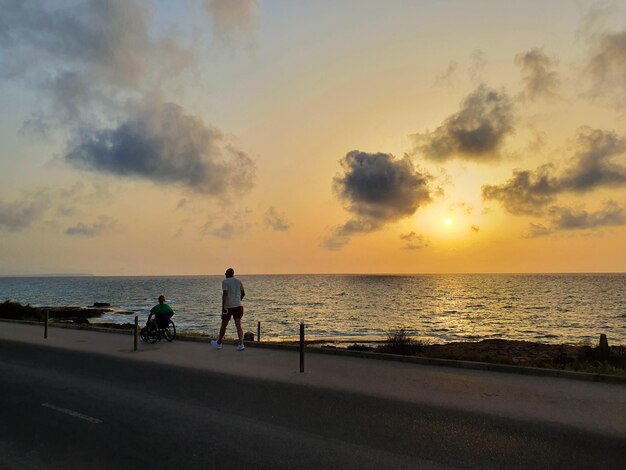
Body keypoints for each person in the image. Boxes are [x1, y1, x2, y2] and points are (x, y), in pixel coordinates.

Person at [211, 268, 245, 351]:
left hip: (228, 307)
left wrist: (223, 306)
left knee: (224, 325)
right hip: (238, 306)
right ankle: (241, 344)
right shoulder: (238, 281)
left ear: (228, 274)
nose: (224, 274)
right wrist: (238, 300)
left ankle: (219, 343)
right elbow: (243, 293)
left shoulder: (225, 282)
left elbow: (225, 294)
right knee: (238, 325)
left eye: (225, 273)